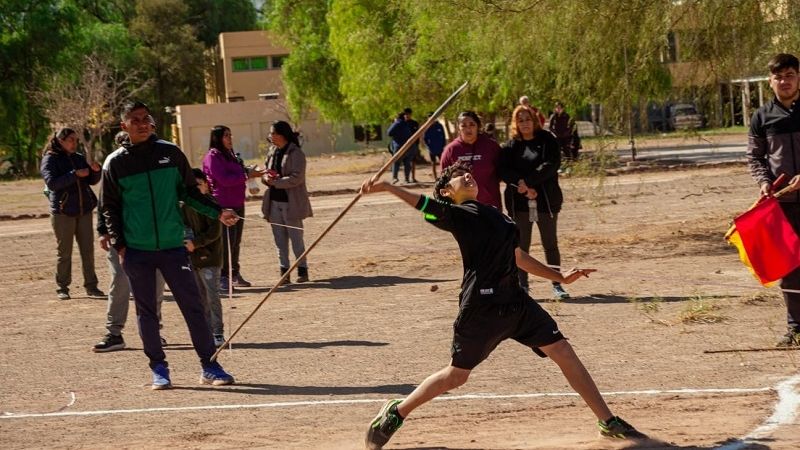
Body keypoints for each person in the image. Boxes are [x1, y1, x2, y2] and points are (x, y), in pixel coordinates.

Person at [360, 162, 645, 449]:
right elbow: (427, 207)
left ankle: (608, 422)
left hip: (516, 303)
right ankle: (396, 412)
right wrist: (387, 187)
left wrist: (559, 277)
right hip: (481, 308)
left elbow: (518, 256)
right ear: (447, 192)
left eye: (467, 172)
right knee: (457, 376)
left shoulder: (497, 216)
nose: (467, 175)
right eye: (458, 176)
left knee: (562, 350)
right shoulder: (458, 215)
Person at [100, 100, 237, 389]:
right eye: (134, 119)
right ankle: (159, 368)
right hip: (137, 251)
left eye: (145, 118)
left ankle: (209, 365)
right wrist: (121, 247)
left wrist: (218, 211)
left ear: (151, 122)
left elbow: (189, 192)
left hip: (174, 247)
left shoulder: (170, 153)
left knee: (194, 307)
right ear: (124, 125)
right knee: (147, 311)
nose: (141, 123)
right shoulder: (115, 163)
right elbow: (109, 208)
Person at [92, 130, 166, 353]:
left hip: (153, 236)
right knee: (120, 281)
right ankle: (114, 333)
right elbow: (105, 202)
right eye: (123, 142)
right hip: (122, 236)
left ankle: (154, 331)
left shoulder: (157, 161)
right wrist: (103, 231)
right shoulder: (113, 164)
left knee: (155, 283)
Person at [746, 52, 800, 347]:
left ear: (798, 78)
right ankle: (795, 327)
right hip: (782, 206)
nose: (784, 81)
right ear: (770, 81)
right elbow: (755, 157)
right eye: (778, 77)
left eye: (789, 75)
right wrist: (765, 182)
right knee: (789, 268)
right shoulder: (762, 117)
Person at [500, 105, 570, 299]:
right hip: (519, 204)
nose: (525, 123)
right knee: (521, 247)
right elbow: (504, 170)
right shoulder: (509, 146)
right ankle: (522, 286)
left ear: (535, 120)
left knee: (550, 244)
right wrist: (521, 185)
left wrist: (529, 183)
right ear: (515, 123)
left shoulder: (548, 140)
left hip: (546, 201)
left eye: (528, 119)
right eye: (520, 120)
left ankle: (557, 284)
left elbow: (551, 164)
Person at [40, 127, 105, 300]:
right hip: (62, 213)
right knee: (64, 253)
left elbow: (90, 180)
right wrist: (74, 174)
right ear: (60, 141)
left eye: (76, 140)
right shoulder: (50, 159)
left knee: (88, 251)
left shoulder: (78, 158)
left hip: (83, 211)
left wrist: (95, 172)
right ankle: (62, 287)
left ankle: (92, 286)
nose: (74, 143)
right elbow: (52, 183)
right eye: (71, 140)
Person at [203, 125, 262, 292]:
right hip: (223, 205)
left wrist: (252, 172)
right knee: (225, 242)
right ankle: (223, 276)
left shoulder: (230, 155)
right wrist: (246, 175)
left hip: (238, 203)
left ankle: (234, 273)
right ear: (217, 138)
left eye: (230, 135)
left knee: (235, 242)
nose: (230, 138)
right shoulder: (212, 157)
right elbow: (224, 179)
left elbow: (239, 172)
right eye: (226, 135)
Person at [261, 120, 313, 283]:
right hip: (274, 202)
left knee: (296, 239)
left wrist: (276, 182)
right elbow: (265, 171)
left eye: (273, 133)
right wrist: (265, 178)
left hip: (292, 203)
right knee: (279, 240)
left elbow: (297, 178)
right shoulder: (271, 151)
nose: (270, 136)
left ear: (282, 134)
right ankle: (284, 272)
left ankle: (302, 271)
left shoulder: (296, 153)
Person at [183, 168, 225, 347]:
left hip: (211, 258)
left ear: (206, 185)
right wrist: (185, 241)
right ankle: (205, 331)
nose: (197, 189)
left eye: (199, 185)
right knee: (199, 297)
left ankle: (218, 332)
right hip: (193, 258)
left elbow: (214, 232)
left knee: (212, 295)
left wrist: (196, 243)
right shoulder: (185, 206)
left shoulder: (211, 205)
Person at [440, 111, 502, 209]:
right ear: (458, 128)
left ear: (478, 126)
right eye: (463, 125)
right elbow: (444, 180)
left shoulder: (491, 146)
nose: (468, 129)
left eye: (472, 124)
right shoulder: (450, 150)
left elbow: (502, 172)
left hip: (490, 205)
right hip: (462, 207)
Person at [386, 112, 414, 184]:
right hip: (407, 146)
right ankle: (407, 179)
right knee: (407, 162)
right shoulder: (406, 124)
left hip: (398, 146)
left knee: (396, 162)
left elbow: (389, 132)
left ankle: (395, 177)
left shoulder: (397, 123)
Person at [404, 107, 420, 183]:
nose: (407, 115)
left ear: (410, 114)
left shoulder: (414, 123)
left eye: (408, 114)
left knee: (413, 162)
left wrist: (417, 145)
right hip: (404, 146)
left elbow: (418, 134)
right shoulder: (402, 123)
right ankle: (406, 178)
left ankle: (413, 177)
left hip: (414, 145)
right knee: (406, 162)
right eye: (406, 114)